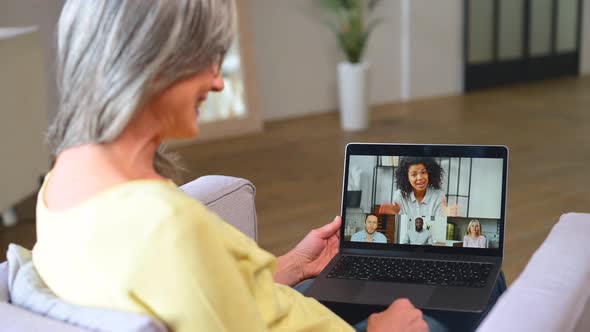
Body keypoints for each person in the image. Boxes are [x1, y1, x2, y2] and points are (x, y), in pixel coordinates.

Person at [32, 1, 435, 331]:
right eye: (206, 58)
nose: (217, 80)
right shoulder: (165, 226)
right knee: (459, 305)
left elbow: (208, 291)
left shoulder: (63, 183)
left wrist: (295, 263)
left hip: (280, 309)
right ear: (151, 62)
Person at [379, 157, 460, 220]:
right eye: (414, 174)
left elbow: (438, 227)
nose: (420, 178)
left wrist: (444, 217)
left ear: (430, 173)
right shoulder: (400, 195)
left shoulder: (439, 196)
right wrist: (393, 217)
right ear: (407, 177)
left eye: (423, 172)